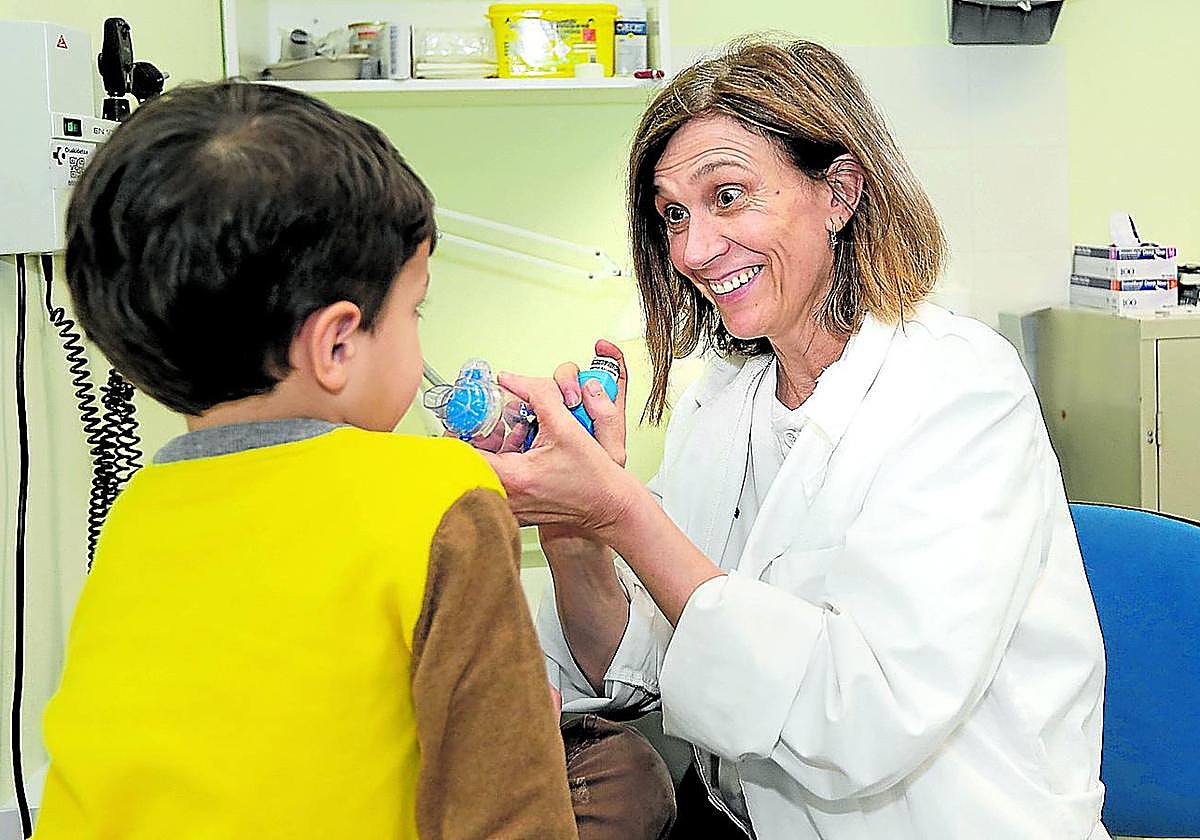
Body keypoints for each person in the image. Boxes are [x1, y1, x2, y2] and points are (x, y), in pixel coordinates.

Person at [482, 39, 1111, 839]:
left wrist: (623, 514)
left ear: (839, 192)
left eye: (729, 196)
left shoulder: (958, 390)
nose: (693, 250)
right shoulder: (728, 396)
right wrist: (577, 533)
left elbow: (858, 722)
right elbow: (639, 667)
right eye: (673, 214)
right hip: (739, 817)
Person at [34, 81, 674, 840]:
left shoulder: (141, 506)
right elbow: (507, 812)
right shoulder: (440, 496)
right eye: (415, 309)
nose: (418, 334)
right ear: (338, 344)